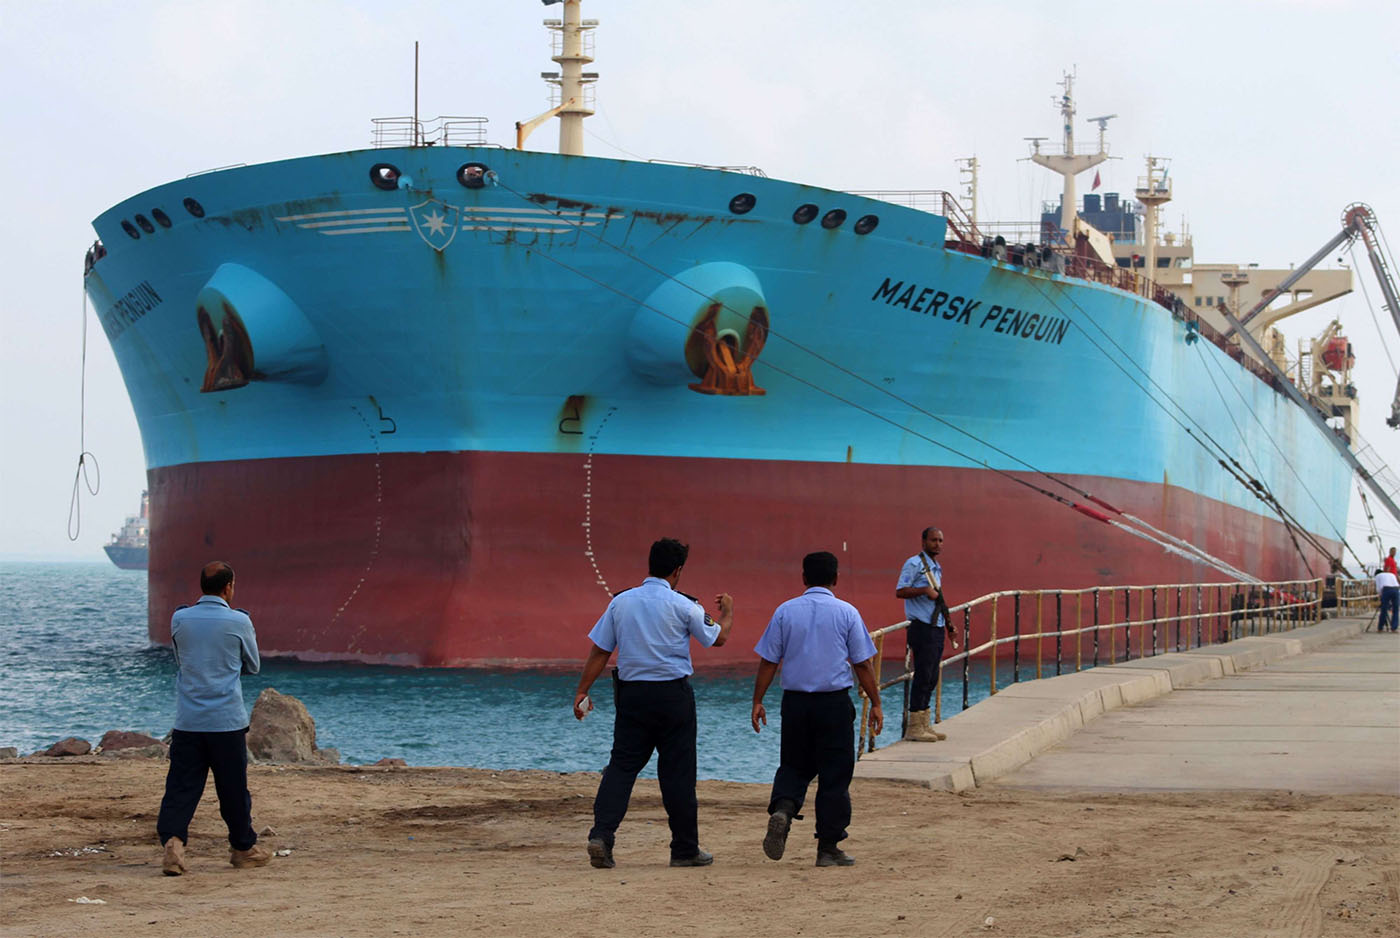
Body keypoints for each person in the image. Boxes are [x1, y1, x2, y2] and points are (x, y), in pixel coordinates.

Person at [573, 538, 734, 869]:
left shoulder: (621, 603)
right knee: (678, 772)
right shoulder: (684, 606)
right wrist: (728, 612)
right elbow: (718, 638)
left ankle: (601, 836)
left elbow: (600, 650)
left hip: (633, 696)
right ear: (677, 571)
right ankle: (685, 849)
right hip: (673, 696)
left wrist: (581, 691)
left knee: (621, 767)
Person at [751, 551, 882, 868]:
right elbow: (862, 663)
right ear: (835, 578)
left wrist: (757, 700)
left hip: (795, 703)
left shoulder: (785, 611)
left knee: (794, 764)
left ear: (803, 577)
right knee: (835, 774)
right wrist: (876, 702)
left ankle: (783, 808)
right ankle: (828, 846)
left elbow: (769, 660)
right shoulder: (847, 613)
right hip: (833, 703)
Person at [156, 561, 271, 875]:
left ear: (202, 586)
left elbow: (183, 660)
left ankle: (174, 845)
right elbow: (253, 666)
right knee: (233, 788)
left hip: (188, 720)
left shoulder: (180, 618)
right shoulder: (239, 621)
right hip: (226, 721)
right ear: (228, 587)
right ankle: (242, 848)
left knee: (181, 785)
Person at [894, 527, 955, 741]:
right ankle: (914, 728)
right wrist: (923, 591)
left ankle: (924, 722)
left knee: (932, 677)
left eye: (940, 540)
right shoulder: (914, 564)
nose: (937, 544)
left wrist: (948, 625)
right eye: (933, 540)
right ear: (923, 541)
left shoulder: (935, 567)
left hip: (935, 626)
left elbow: (939, 598)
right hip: (921, 627)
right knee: (922, 675)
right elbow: (900, 591)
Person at [1374, 566, 1399, 632]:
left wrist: (1380, 596)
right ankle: (1394, 628)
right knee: (1395, 610)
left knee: (1384, 609)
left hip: (1386, 589)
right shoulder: (1391, 574)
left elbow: (1378, 588)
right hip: (1396, 589)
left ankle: (1380, 627)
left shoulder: (1377, 576)